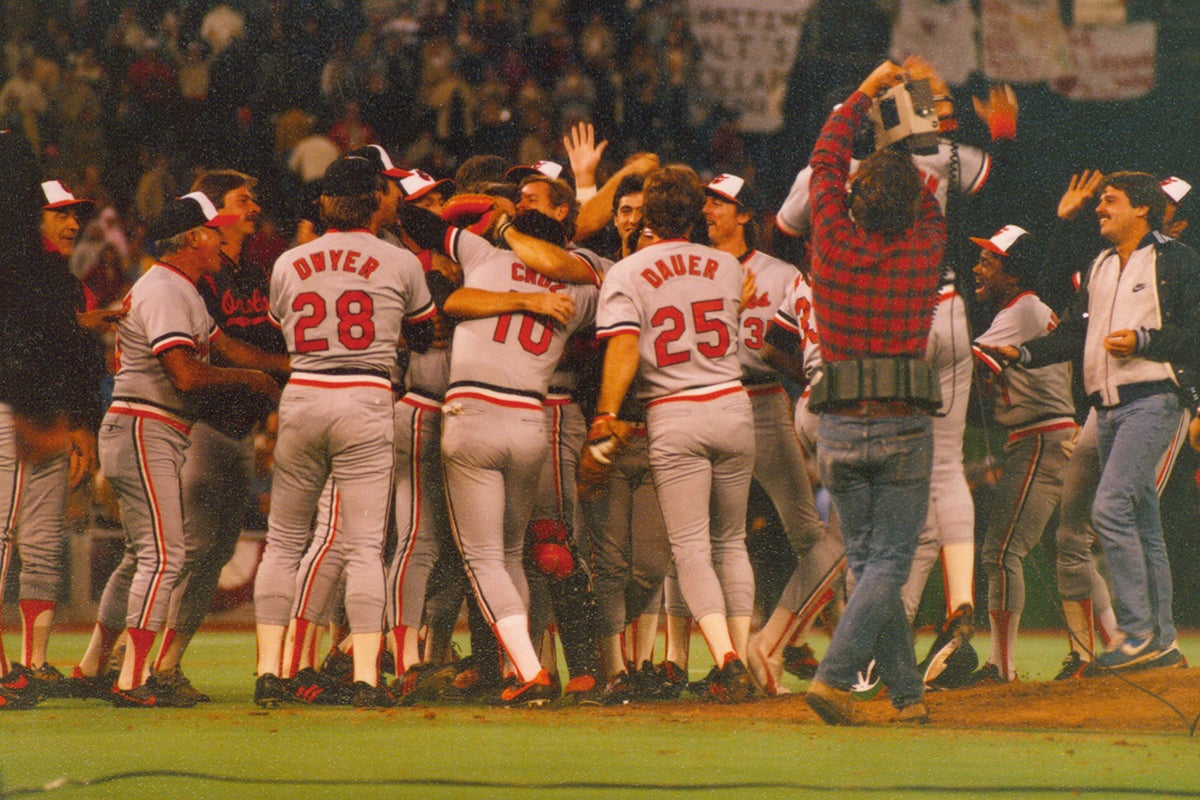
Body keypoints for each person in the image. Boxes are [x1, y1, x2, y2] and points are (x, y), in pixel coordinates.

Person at [73, 192, 285, 707]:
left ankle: (118, 670)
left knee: (151, 555)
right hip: (144, 425)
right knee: (164, 556)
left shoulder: (180, 287)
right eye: (213, 231)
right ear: (193, 238)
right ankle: (133, 679)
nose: (221, 238)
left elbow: (230, 347)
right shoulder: (166, 288)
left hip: (152, 428)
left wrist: (281, 367)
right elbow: (186, 374)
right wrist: (251, 380)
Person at [983, 171, 1200, 673]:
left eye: (1110, 200)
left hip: (1152, 399)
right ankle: (1160, 640)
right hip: (1105, 409)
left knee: (1111, 508)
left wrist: (1144, 342)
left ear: (1142, 209)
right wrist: (1021, 352)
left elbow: (1193, 331)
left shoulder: (1176, 260)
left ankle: (1138, 634)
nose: (1100, 208)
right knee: (1141, 522)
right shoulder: (1102, 264)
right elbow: (1074, 335)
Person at [252, 156, 436, 708]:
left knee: (284, 541)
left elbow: (277, 329)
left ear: (326, 203)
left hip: (305, 394)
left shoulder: (289, 261)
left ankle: (268, 670)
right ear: (378, 197)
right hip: (365, 396)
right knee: (361, 548)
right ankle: (364, 679)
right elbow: (425, 334)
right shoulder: (399, 261)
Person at [802, 60, 946, 726]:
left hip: (836, 429)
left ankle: (908, 697)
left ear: (856, 196)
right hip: (903, 426)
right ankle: (834, 678)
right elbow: (933, 167)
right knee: (889, 560)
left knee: (868, 562)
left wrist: (866, 90)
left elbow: (825, 159)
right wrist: (919, 100)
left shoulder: (830, 237)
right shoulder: (925, 244)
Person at [593, 164, 756, 703]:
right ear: (696, 213)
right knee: (731, 541)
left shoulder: (630, 271)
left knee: (690, 549)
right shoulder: (729, 267)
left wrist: (604, 415)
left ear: (650, 215)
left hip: (674, 410)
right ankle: (740, 657)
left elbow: (621, 347)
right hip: (733, 404)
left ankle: (727, 660)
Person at [147, 170, 285, 702]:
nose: (253, 207)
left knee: (209, 550)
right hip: (198, 426)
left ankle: (153, 661)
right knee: (181, 553)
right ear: (212, 211)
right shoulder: (195, 275)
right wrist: (281, 371)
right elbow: (226, 349)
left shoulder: (252, 273)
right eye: (241, 199)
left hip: (238, 429)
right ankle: (143, 663)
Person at [699, 173, 839, 697]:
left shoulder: (781, 273)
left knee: (808, 532)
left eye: (720, 202)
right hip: (706, 400)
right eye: (707, 201)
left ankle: (796, 632)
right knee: (706, 537)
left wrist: (810, 384)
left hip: (763, 401)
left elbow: (783, 348)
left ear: (744, 215)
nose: (709, 209)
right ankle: (699, 657)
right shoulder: (693, 265)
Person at [967, 225, 1076, 685]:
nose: (978, 267)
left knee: (1001, 552)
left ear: (1012, 276)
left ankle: (1002, 668)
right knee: (1074, 548)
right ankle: (1099, 650)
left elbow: (973, 362)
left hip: (1040, 437)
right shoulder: (1023, 308)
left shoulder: (1021, 308)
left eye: (989, 262)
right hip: (1047, 435)